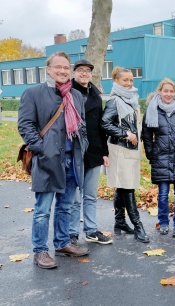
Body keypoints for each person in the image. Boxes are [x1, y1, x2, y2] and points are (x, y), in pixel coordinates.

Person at [18, 51, 90, 269]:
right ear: (48, 69)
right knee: (43, 210)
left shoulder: (76, 95)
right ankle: (40, 251)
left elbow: (82, 125)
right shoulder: (33, 93)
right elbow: (25, 124)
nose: (62, 71)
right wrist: (41, 149)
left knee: (65, 207)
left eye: (66, 68)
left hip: (72, 160)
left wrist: (83, 146)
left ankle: (62, 243)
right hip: (48, 160)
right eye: (58, 67)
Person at [142, 78, 175, 238]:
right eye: (165, 91)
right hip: (161, 158)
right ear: (160, 91)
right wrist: (152, 154)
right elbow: (146, 135)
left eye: (171, 91)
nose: (168, 94)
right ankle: (164, 223)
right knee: (163, 194)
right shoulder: (152, 109)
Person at [101, 67, 149, 243]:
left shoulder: (131, 99)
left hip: (130, 151)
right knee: (128, 187)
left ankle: (119, 221)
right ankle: (138, 226)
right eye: (125, 80)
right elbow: (104, 123)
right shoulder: (114, 101)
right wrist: (126, 134)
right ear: (116, 81)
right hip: (120, 150)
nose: (129, 84)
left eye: (131, 80)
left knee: (122, 186)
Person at [69, 59, 112, 246]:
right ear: (74, 73)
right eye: (80, 70)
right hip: (74, 151)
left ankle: (91, 230)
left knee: (90, 195)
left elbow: (100, 126)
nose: (84, 73)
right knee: (74, 197)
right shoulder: (67, 92)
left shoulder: (96, 94)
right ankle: (71, 233)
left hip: (94, 151)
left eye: (87, 71)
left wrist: (104, 151)